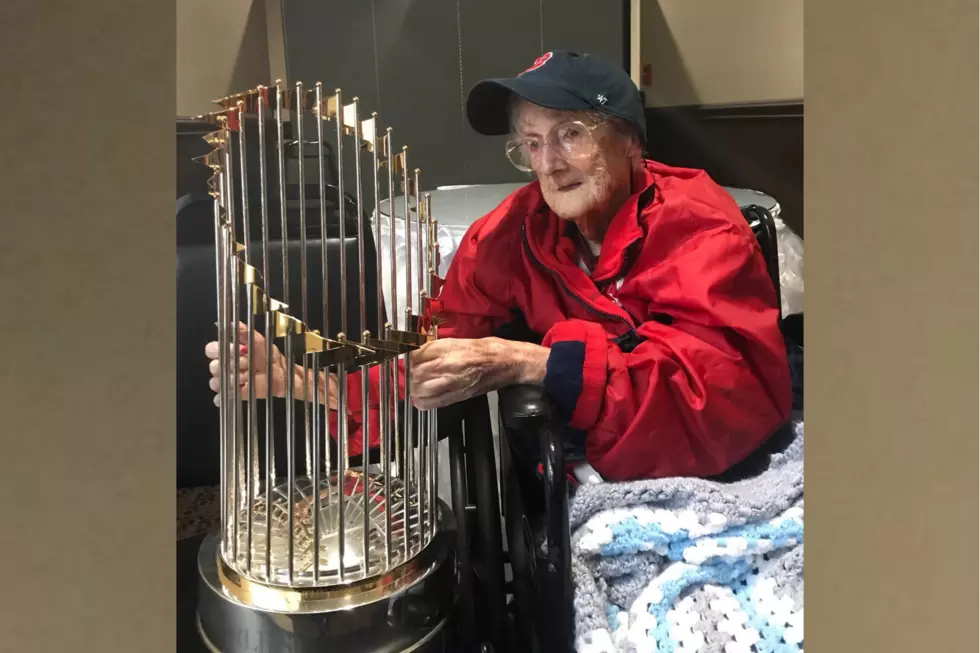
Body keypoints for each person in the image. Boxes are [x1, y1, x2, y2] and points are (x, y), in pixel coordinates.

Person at [206, 51, 792, 482]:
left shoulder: (695, 223)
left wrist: (532, 361)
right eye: (532, 143)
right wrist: (315, 385)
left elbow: (718, 398)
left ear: (632, 143)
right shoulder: (519, 227)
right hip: (589, 472)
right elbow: (441, 342)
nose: (550, 164)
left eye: (570, 134)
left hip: (719, 468)